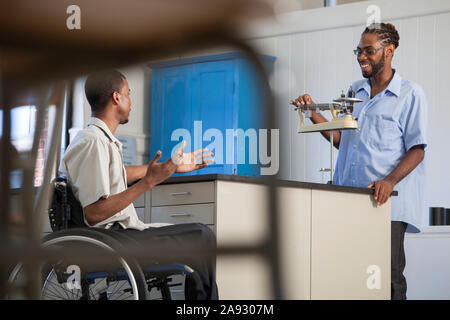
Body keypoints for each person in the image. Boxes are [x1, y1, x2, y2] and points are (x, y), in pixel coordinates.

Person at [290, 23, 427, 300]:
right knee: (349, 275)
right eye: (358, 50)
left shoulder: (410, 94)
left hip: (385, 204)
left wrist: (389, 181)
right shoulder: (355, 92)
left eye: (369, 51)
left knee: (387, 281)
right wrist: (314, 114)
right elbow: (344, 140)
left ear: (389, 51)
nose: (361, 56)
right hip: (349, 200)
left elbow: (417, 149)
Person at [59, 69, 218, 299]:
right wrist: (147, 183)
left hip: (117, 237)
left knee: (198, 238)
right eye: (128, 93)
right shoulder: (93, 142)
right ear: (116, 98)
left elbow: (116, 173)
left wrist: (169, 167)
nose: (131, 101)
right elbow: (94, 213)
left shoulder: (98, 139)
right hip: (111, 241)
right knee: (201, 237)